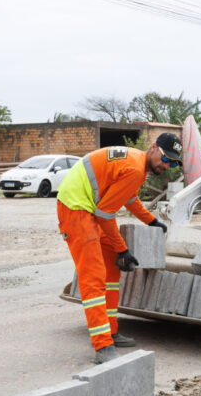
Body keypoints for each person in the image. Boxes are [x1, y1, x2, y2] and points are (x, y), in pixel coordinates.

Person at [57, 133, 181, 364]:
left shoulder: (136, 165)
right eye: (166, 159)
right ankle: (102, 346)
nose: (167, 165)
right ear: (153, 148)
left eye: (173, 163)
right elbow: (105, 214)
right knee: (93, 278)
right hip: (76, 209)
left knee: (112, 272)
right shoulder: (135, 169)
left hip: (89, 208)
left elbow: (129, 198)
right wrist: (123, 249)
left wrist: (151, 221)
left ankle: (111, 331)